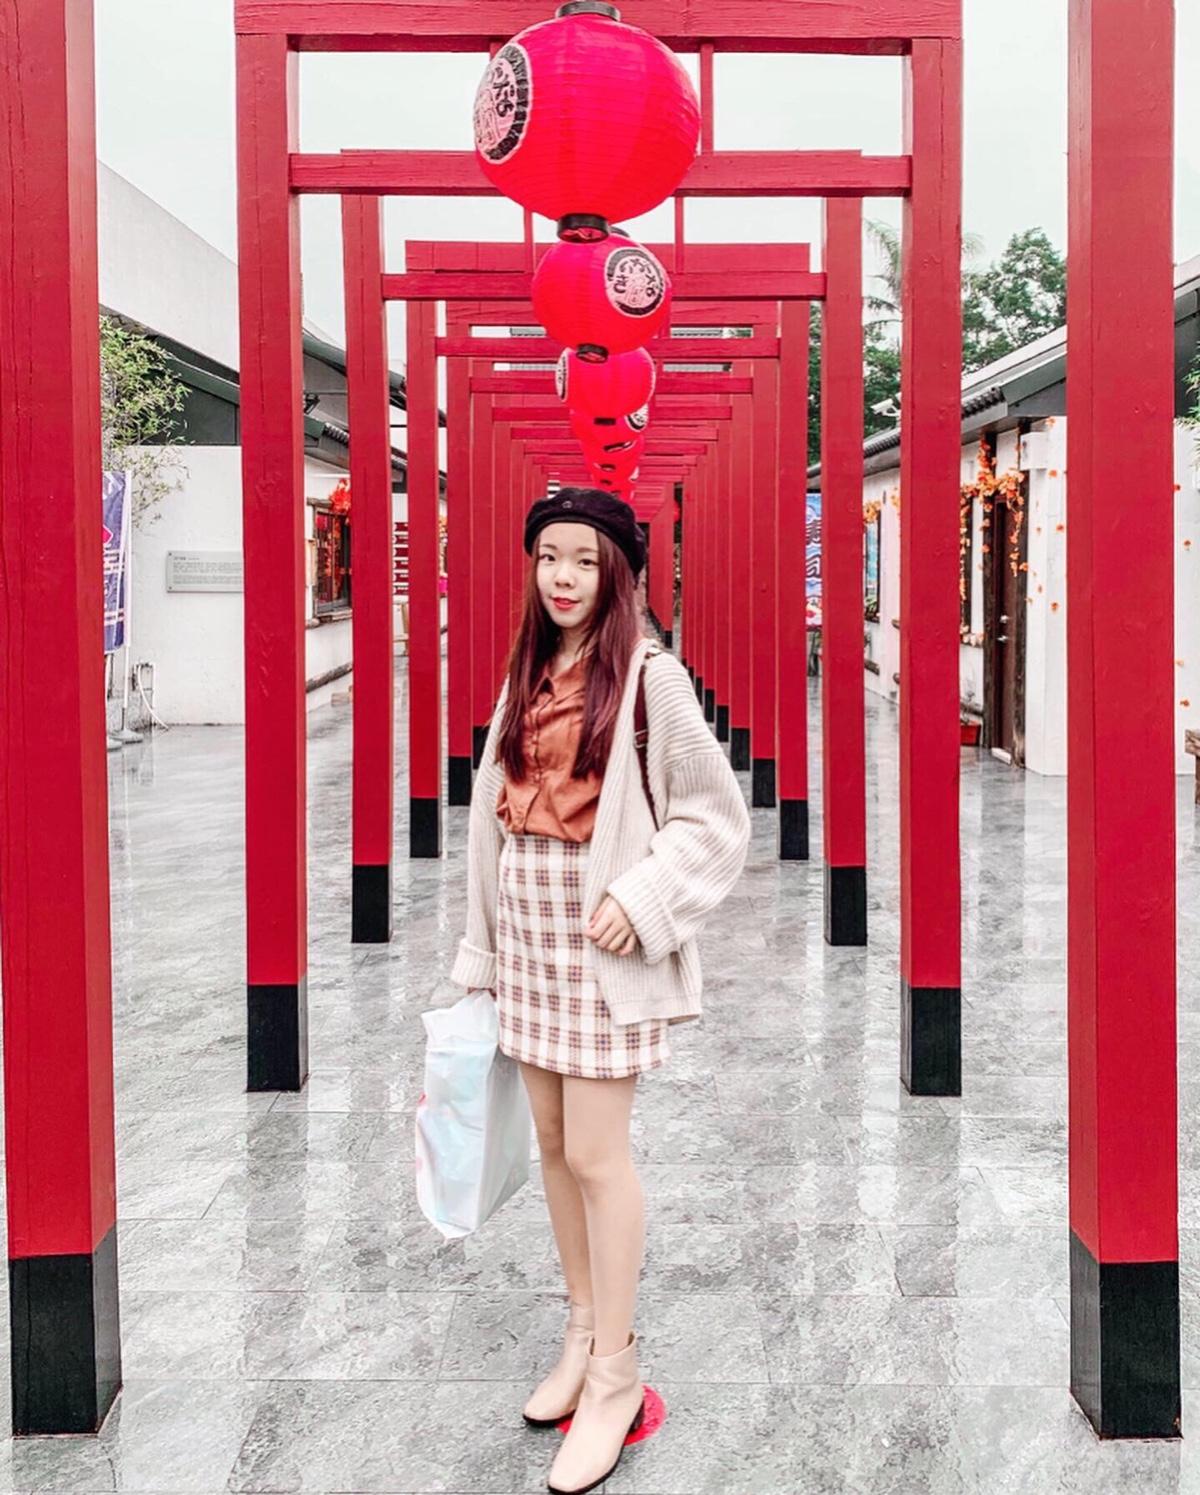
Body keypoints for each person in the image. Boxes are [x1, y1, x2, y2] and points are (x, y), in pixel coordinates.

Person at [451, 487, 750, 1495]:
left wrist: (647, 897)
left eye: (584, 559)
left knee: (595, 1152)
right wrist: (481, 947)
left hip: (599, 937)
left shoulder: (651, 678)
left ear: (618, 571)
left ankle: (616, 1373)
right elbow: (491, 818)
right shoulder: (529, 666)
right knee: (549, 1140)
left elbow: (716, 817)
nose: (564, 577)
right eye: (549, 558)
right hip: (527, 933)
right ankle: (581, 1332)